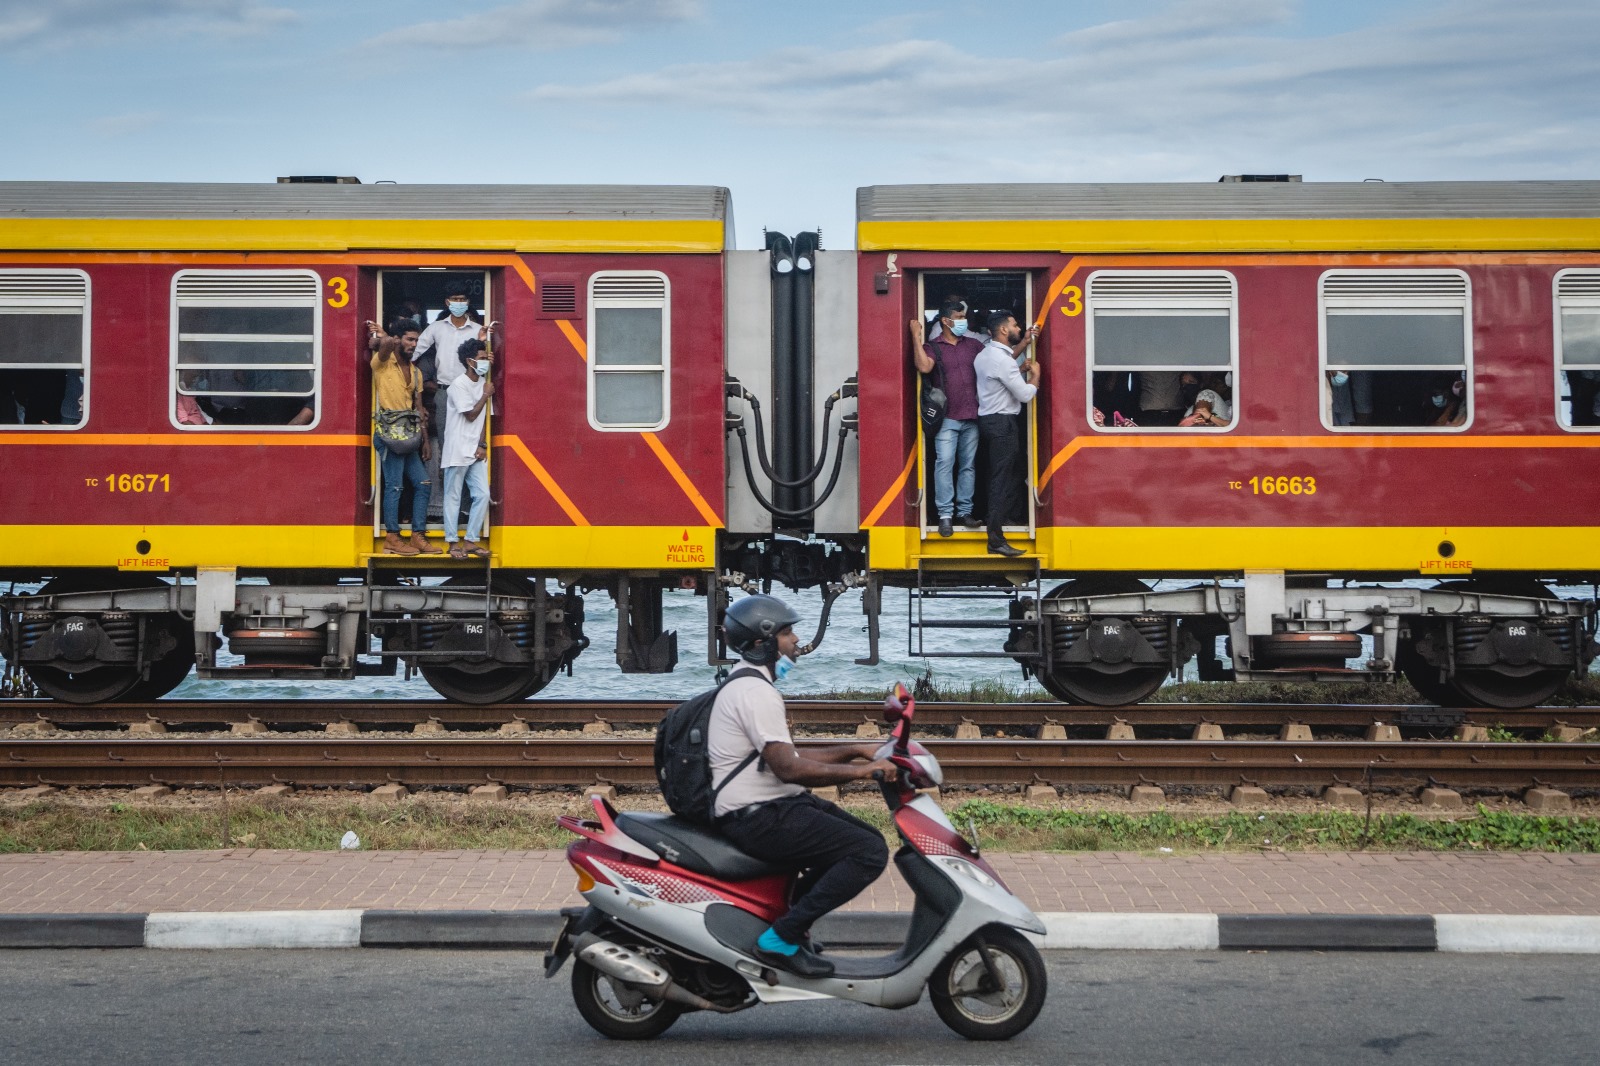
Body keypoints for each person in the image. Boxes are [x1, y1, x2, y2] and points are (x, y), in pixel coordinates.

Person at [709, 594, 898, 978]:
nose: (796, 640)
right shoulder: (755, 693)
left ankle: (789, 925)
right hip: (758, 817)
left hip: (769, 807)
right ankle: (783, 937)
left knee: (863, 836)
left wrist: (857, 749)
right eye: (787, 632)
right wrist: (866, 773)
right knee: (868, 852)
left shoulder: (750, 684)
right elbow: (790, 770)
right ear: (763, 643)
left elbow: (787, 756)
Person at [910, 297, 985, 536]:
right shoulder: (934, 347)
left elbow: (996, 364)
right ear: (945, 320)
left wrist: (1024, 344)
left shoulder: (974, 345)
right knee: (944, 464)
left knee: (968, 467)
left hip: (971, 415)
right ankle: (945, 515)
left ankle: (964, 512)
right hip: (947, 418)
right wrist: (915, 336)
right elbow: (923, 367)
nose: (964, 321)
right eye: (960, 317)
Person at [974, 311, 1041, 557]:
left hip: (989, 421)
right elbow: (1024, 395)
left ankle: (999, 527)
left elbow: (1004, 370)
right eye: (1014, 325)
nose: (1018, 327)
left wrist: (1021, 353)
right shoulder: (1001, 360)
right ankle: (996, 540)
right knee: (1002, 481)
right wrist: (1035, 377)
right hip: (1003, 424)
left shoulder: (985, 354)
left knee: (999, 478)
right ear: (1003, 330)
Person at [369, 331, 439, 556]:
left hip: (409, 437)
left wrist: (425, 440)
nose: (414, 345)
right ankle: (392, 536)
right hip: (388, 436)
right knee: (395, 486)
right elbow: (384, 343)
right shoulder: (382, 363)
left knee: (423, 484)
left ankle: (418, 536)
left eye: (417, 341)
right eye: (410, 339)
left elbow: (418, 408)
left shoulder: (417, 373)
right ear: (398, 340)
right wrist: (386, 334)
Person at [442, 339, 494, 559]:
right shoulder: (458, 385)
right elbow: (471, 414)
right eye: (481, 358)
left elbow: (483, 420)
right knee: (452, 497)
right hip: (457, 449)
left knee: (483, 494)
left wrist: (482, 445)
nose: (484, 362)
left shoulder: (483, 382)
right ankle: (453, 543)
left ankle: (471, 540)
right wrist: (485, 395)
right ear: (469, 361)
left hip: (475, 450)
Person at [413, 282, 496, 393]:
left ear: (468, 302)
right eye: (455, 299)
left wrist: (483, 343)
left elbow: (483, 361)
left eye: (462, 299)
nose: (459, 303)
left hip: (470, 389)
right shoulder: (436, 327)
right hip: (443, 390)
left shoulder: (479, 331)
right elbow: (415, 350)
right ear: (447, 302)